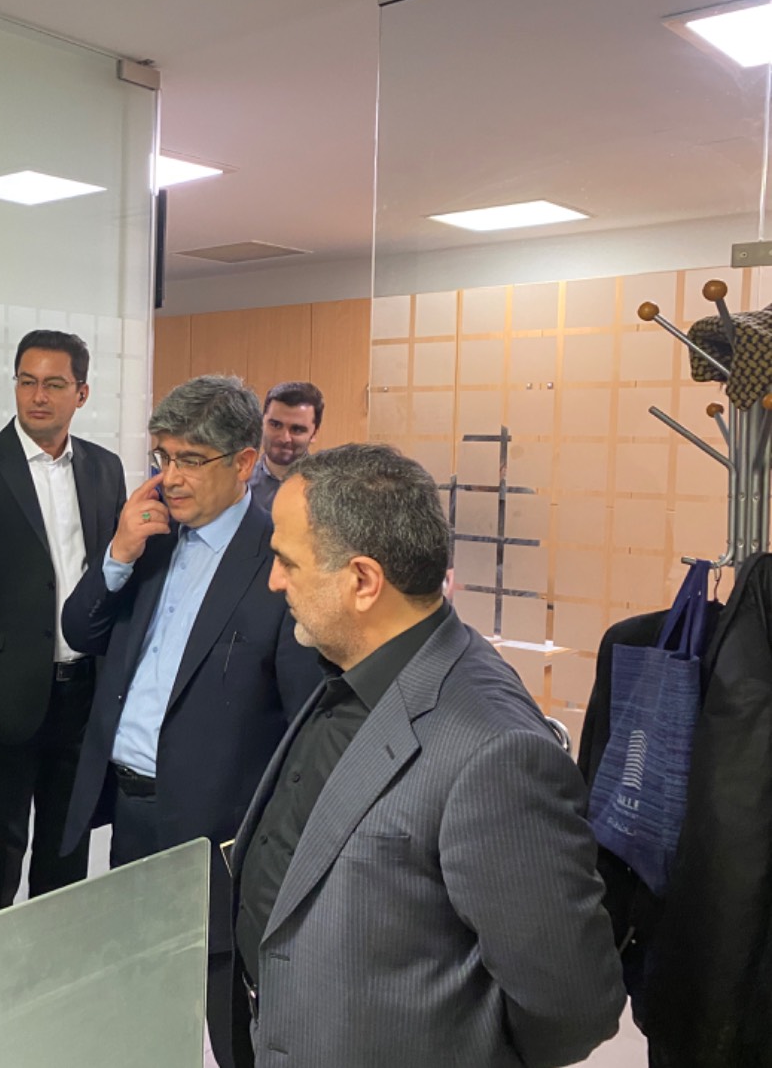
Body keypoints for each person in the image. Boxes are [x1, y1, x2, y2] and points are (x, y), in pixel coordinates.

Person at [231, 443, 624, 1068]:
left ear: (363, 581)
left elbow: (572, 1006)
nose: (275, 580)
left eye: (287, 561)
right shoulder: (353, 668)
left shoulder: (494, 752)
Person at [60, 375, 322, 1068]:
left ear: (243, 462)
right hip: (132, 809)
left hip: (223, 830)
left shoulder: (278, 559)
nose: (169, 477)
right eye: (162, 457)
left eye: (189, 460)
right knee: (140, 989)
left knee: (226, 1010)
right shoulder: (150, 539)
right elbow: (80, 630)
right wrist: (118, 552)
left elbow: (308, 722)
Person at [0, 330, 126, 921]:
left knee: (67, 861)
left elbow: (109, 579)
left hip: (81, 697)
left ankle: (54, 968)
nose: (38, 396)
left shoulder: (105, 469)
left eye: (54, 384)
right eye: (27, 381)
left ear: (81, 393)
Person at [249, 381, 322, 515]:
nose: (284, 438)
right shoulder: (238, 487)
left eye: (297, 429)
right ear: (262, 423)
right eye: (275, 425)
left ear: (314, 434)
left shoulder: (328, 490)